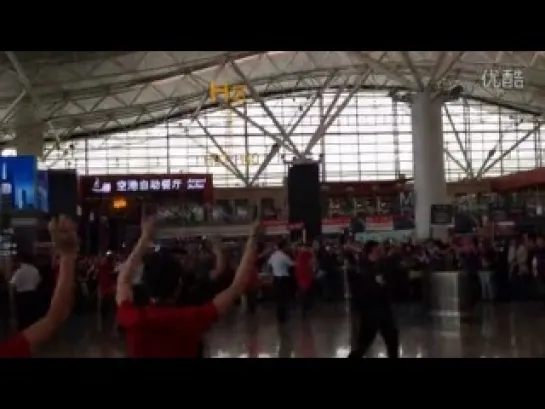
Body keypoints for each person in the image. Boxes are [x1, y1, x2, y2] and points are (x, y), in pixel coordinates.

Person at [115, 213, 260, 358]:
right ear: (179, 284)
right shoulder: (190, 318)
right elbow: (237, 287)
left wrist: (144, 238)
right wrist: (254, 237)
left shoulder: (134, 318)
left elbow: (123, 280)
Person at [0, 215, 78, 357]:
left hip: (22, 302)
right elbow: (51, 320)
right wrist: (68, 255)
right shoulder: (7, 350)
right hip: (34, 300)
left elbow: (12, 288)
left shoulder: (19, 272)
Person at [348, 240, 399, 358]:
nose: (381, 251)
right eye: (378, 249)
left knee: (392, 340)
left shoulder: (382, 265)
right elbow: (360, 290)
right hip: (370, 313)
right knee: (363, 344)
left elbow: (389, 282)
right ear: (372, 251)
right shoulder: (362, 268)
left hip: (384, 310)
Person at [9, 252, 42, 330]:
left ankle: (23, 333)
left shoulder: (19, 271)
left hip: (21, 296)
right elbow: (39, 281)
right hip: (33, 294)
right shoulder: (35, 270)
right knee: (32, 314)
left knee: (22, 316)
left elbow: (12, 284)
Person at [267, 239, 294, 323]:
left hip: (276, 278)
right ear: (284, 246)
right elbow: (292, 264)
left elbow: (269, 265)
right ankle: (284, 316)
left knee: (278, 299)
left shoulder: (273, 255)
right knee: (284, 298)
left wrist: (271, 274)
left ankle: (279, 316)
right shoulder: (284, 256)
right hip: (284, 279)